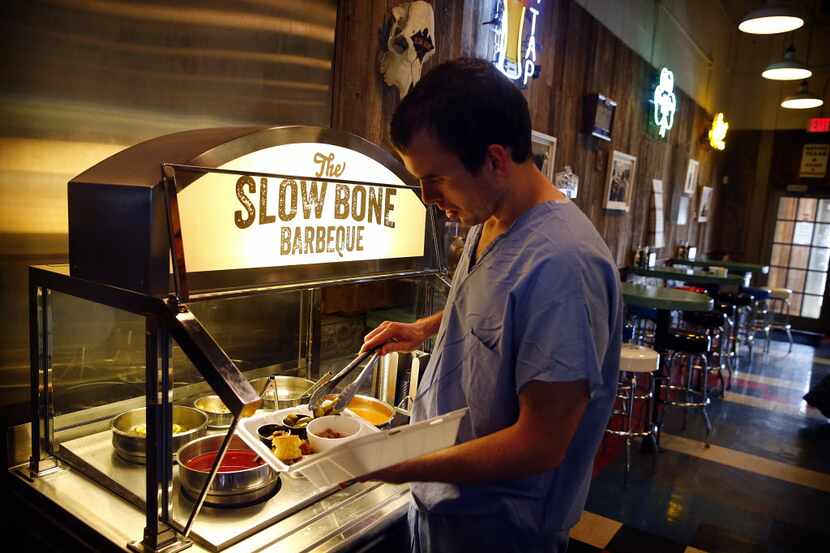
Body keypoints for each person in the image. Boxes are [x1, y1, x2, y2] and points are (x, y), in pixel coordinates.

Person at [360, 57, 622, 553]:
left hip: (499, 529)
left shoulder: (564, 264)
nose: (425, 196)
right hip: (447, 508)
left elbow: (539, 444)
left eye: (434, 178)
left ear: (496, 160)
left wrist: (396, 464)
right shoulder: (489, 217)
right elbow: (499, 311)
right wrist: (428, 327)